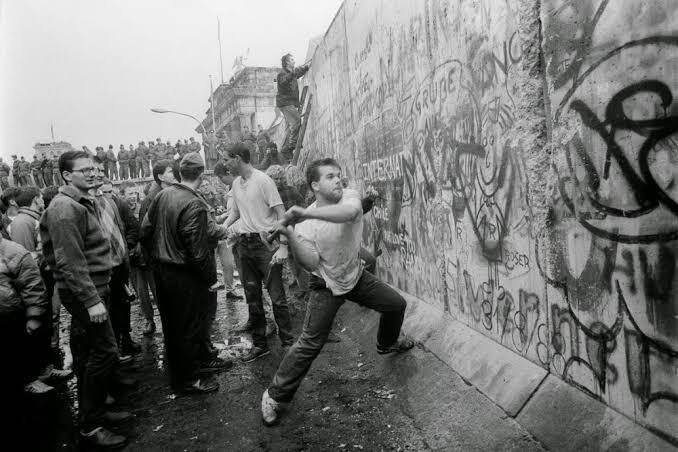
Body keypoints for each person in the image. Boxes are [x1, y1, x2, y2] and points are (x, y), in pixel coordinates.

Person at [260, 158, 414, 426]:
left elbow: (351, 215)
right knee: (310, 343)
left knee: (395, 304)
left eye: (339, 175)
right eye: (330, 176)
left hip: (355, 276)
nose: (338, 180)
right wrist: (289, 232)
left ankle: (387, 343)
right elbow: (310, 263)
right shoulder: (305, 225)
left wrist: (303, 213)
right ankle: (274, 395)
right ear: (315, 184)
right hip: (326, 285)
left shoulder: (349, 197)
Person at [40, 150, 129, 449]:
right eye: (84, 170)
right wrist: (92, 301)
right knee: (105, 352)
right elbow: (69, 262)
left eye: (93, 169)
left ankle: (97, 414)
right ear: (67, 175)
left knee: (89, 351)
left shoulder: (81, 201)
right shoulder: (64, 208)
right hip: (84, 291)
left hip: (91, 287)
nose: (92, 174)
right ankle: (90, 427)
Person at [141, 153, 230, 394]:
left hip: (163, 271)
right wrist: (210, 279)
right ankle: (189, 380)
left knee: (173, 326)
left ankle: (193, 367)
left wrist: (158, 256)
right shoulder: (194, 203)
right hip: (184, 274)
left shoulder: (162, 195)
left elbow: (145, 231)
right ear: (201, 174)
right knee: (189, 327)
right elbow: (197, 250)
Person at [222, 143, 293, 362]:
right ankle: (260, 344)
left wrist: (283, 246)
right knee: (252, 297)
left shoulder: (263, 180)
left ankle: (289, 344)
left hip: (265, 245)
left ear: (238, 158)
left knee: (277, 297)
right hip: (245, 245)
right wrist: (221, 229)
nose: (225, 163)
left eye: (227, 159)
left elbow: (282, 213)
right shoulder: (235, 183)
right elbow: (235, 213)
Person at [9, 186, 73, 387]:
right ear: (35, 199)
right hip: (38, 281)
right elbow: (25, 257)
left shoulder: (31, 219)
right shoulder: (22, 222)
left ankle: (46, 368)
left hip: (44, 279)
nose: (41, 200)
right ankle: (38, 373)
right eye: (39, 198)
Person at [0, 235, 50, 438]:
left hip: (9, 321)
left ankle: (22, 425)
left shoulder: (13, 251)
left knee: (12, 369)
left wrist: (34, 315)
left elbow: (33, 286)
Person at [92, 159, 140, 360]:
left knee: (122, 306)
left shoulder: (112, 202)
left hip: (119, 265)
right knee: (107, 311)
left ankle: (125, 341)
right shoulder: (82, 204)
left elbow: (127, 228)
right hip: (102, 270)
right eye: (95, 170)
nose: (99, 173)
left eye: (101, 170)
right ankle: (113, 354)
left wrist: (126, 248)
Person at [134, 160, 178, 335]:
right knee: (160, 296)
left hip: (166, 254)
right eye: (170, 172)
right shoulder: (152, 199)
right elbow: (145, 232)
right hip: (157, 257)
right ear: (160, 177)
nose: (174, 174)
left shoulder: (168, 193)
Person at [212, 162, 244, 301]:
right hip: (221, 235)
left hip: (234, 235)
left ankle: (231, 290)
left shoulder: (232, 190)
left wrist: (225, 225)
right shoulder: (232, 190)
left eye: (221, 177)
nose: (221, 182)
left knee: (230, 265)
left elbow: (236, 213)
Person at [276, 53, 310, 162]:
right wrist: (294, 73)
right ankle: (290, 147)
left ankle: (286, 149)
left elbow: (297, 73)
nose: (294, 62)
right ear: (287, 63)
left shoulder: (292, 73)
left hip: (289, 103)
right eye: (292, 60)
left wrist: (305, 68)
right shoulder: (282, 74)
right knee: (296, 121)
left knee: (290, 127)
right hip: (285, 103)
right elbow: (285, 80)